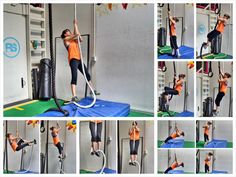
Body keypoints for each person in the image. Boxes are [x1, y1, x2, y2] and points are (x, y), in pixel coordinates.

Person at [61, 18, 99, 103]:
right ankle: (74, 96)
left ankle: (92, 91)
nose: (69, 31)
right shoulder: (66, 40)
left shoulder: (74, 40)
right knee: (74, 76)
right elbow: (76, 35)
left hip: (79, 59)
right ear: (65, 34)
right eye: (67, 31)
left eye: (69, 30)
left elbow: (80, 38)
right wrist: (75, 27)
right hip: (73, 60)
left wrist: (75, 25)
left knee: (87, 75)